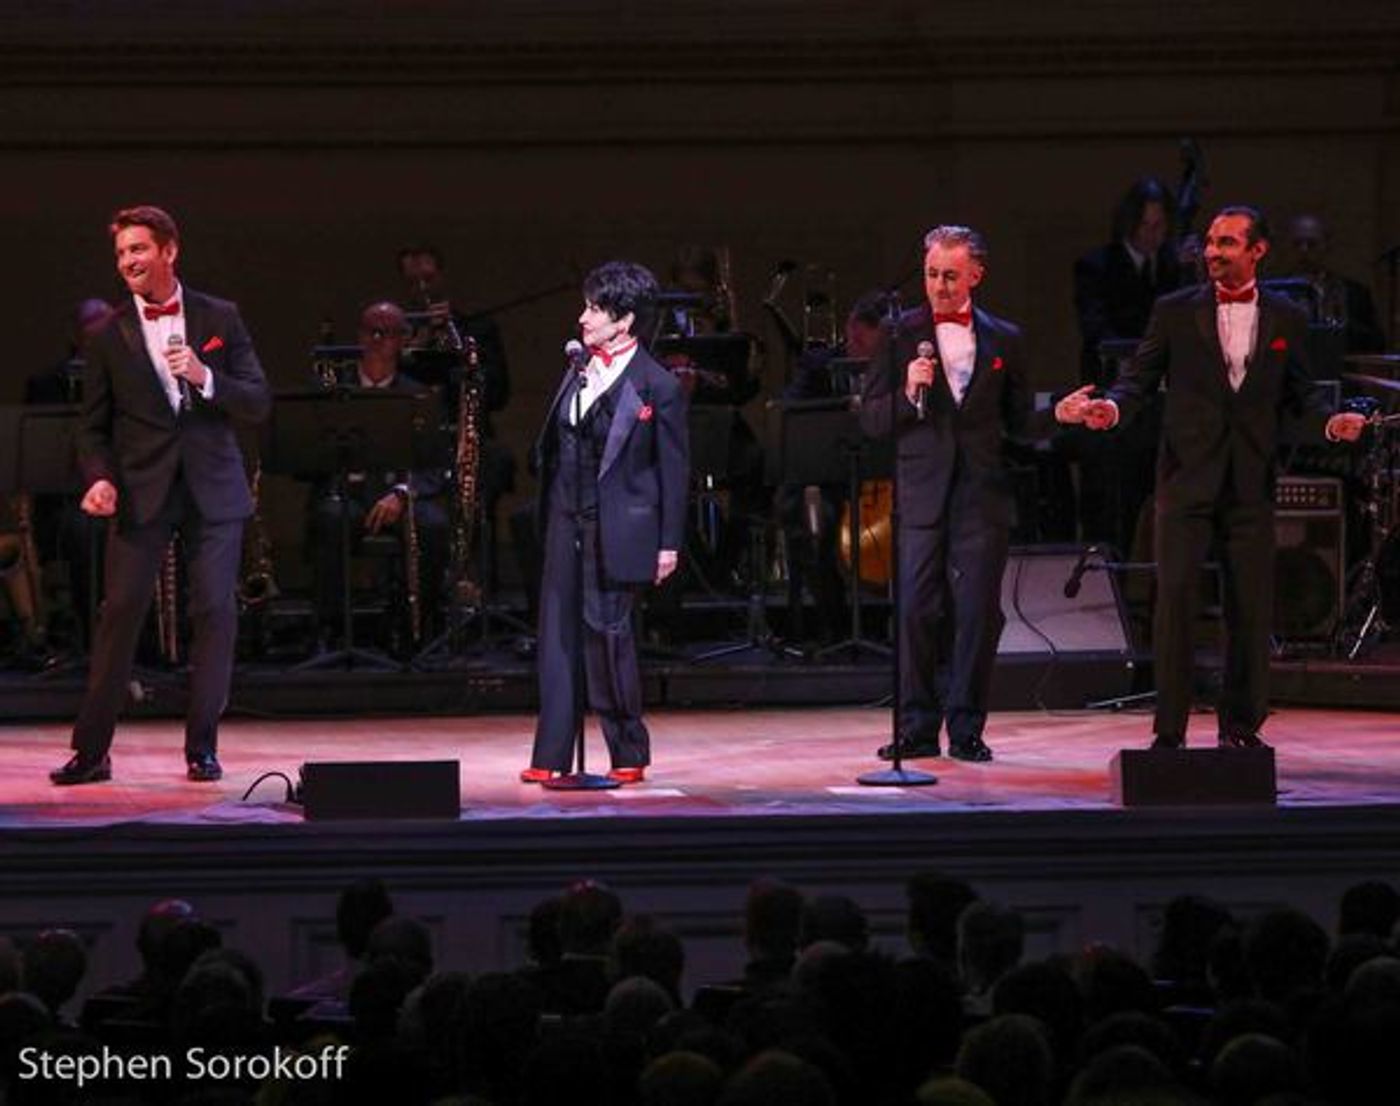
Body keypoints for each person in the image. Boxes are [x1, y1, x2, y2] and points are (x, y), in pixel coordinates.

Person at [1057, 205, 1365, 749]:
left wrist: (1330, 423)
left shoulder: (1288, 317)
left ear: (1258, 251)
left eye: (1227, 243)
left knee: (1250, 608)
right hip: (1185, 480)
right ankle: (1170, 731)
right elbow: (1139, 379)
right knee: (1174, 599)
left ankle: (1241, 727)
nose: (1213, 253)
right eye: (1210, 243)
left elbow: (1303, 393)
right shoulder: (1175, 311)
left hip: (1249, 482)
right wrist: (1112, 408)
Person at [50, 205, 271, 785]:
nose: (128, 262)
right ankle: (92, 751)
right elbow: (90, 427)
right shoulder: (107, 335)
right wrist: (98, 477)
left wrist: (204, 376)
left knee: (215, 612)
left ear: (170, 250)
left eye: (139, 249)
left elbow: (256, 400)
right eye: (122, 254)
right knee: (120, 613)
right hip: (142, 489)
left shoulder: (220, 315)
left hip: (213, 487)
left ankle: (202, 747)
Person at [861, 225, 1036, 763]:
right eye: (932, 274)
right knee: (916, 610)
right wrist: (906, 389)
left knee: (978, 613)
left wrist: (1067, 419)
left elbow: (1022, 424)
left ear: (975, 275)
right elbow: (870, 419)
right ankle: (915, 727)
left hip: (981, 495)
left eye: (951, 276)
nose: (939, 285)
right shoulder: (898, 335)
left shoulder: (1006, 337)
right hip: (920, 492)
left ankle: (966, 729)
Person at [520, 261, 688, 784]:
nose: (584, 317)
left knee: (607, 636)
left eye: (595, 308)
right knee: (558, 636)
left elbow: (675, 469)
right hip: (564, 521)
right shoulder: (577, 369)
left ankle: (627, 749)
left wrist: (669, 544)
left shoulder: (656, 384)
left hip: (619, 525)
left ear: (626, 321)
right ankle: (551, 754)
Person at [308, 301, 448, 649]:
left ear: (403, 340)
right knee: (329, 519)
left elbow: (436, 463)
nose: (376, 340)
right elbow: (312, 457)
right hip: (350, 495)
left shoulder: (419, 395)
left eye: (386, 333)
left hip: (400, 496)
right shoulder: (335, 390)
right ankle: (333, 628)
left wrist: (402, 493)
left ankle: (417, 626)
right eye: (370, 331)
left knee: (433, 525)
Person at [1071, 178, 1184, 555]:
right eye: (1146, 226)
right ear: (1129, 224)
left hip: (1163, 407)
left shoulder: (1174, 267)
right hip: (1112, 399)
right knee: (1111, 502)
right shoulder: (1096, 266)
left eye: (1161, 227)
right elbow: (1097, 329)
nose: (1154, 236)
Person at [1285, 213, 1386, 353]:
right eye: (1297, 244)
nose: (1304, 251)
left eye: (1311, 244)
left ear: (1327, 246)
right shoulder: (1272, 292)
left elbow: (1376, 344)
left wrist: (1338, 324)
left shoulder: (1354, 293)